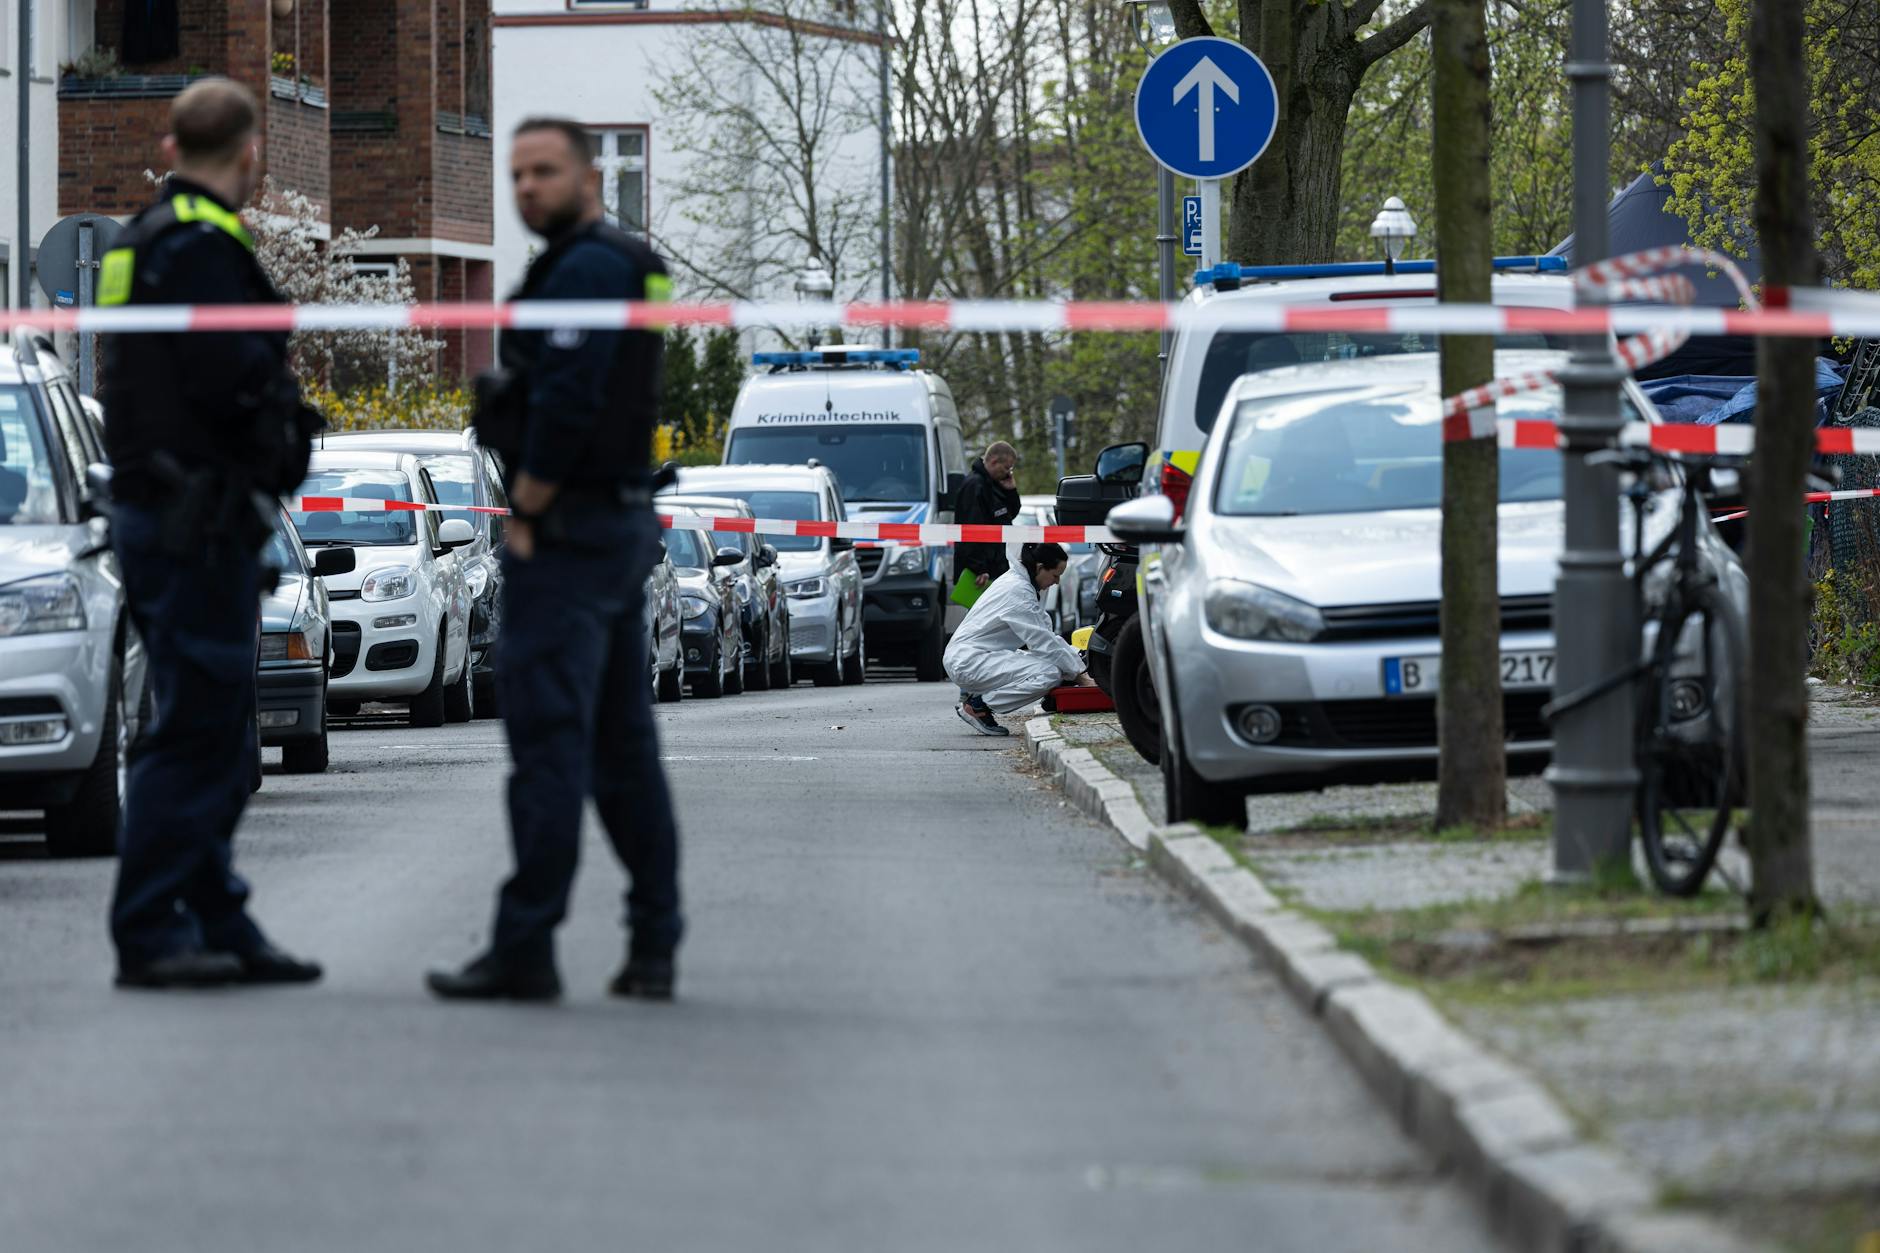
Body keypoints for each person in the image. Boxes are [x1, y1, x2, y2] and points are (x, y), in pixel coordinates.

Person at [427, 117, 682, 1003]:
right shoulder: (616, 263)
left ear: (589, 178)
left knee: (547, 748)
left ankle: (526, 945)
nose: (527, 187)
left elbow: (570, 403)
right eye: (518, 174)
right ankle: (652, 942)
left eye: (545, 171)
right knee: (621, 750)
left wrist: (528, 510)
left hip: (570, 536)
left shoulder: (587, 268)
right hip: (609, 529)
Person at [102, 78, 322, 989]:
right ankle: (152, 928)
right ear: (250, 154)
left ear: (169, 147)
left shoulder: (140, 239)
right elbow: (234, 382)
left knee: (219, 735)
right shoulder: (200, 244)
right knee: (196, 732)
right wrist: (288, 429)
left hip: (168, 513)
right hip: (194, 522)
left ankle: (217, 916)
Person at [945, 542, 1096, 736]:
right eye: (1055, 575)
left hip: (976, 656)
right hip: (969, 662)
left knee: (1055, 665)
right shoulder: (1018, 592)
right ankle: (979, 707)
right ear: (1040, 567)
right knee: (1049, 673)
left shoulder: (1019, 582)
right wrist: (1080, 675)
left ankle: (984, 701)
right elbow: (1042, 641)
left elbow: (1047, 636)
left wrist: (1077, 661)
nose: (1057, 582)